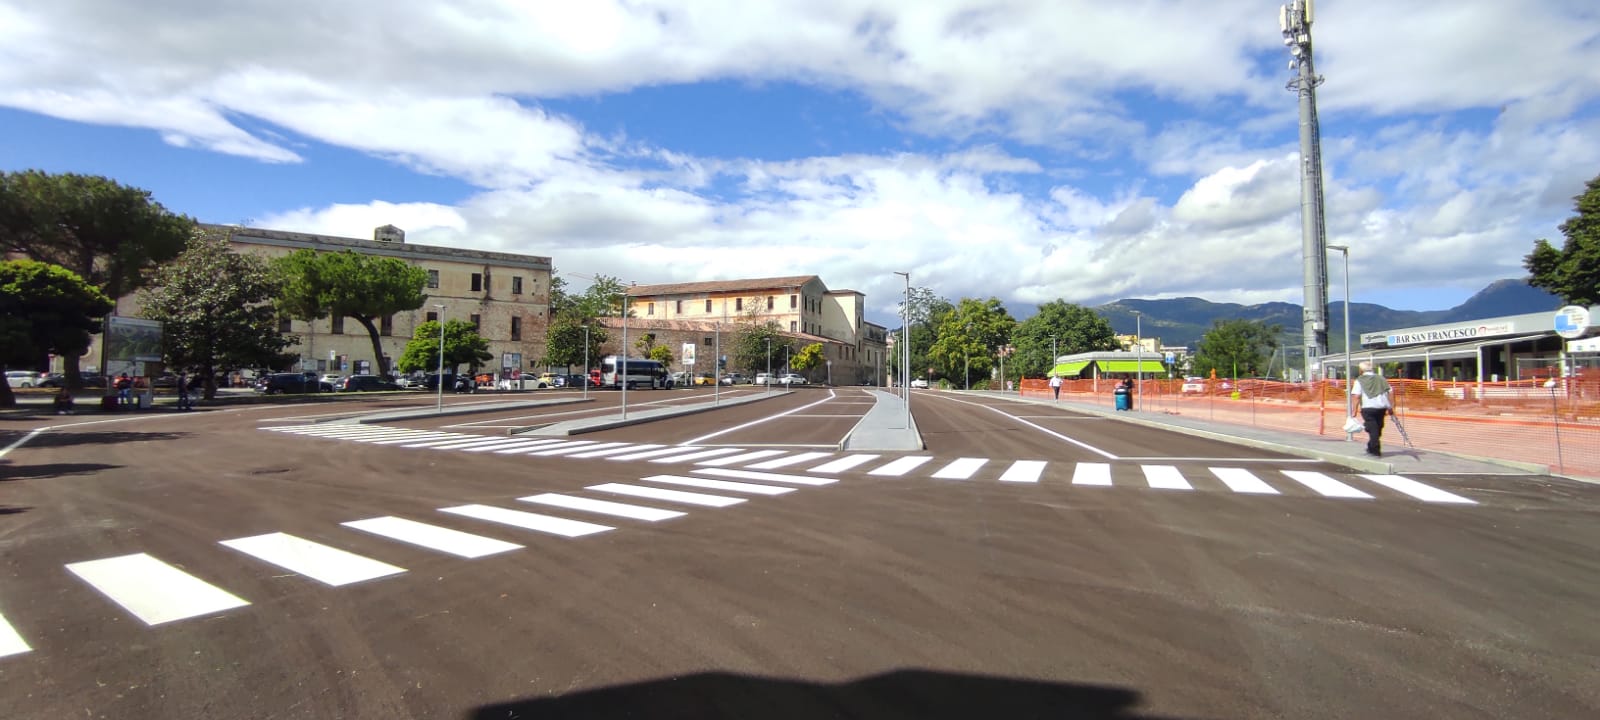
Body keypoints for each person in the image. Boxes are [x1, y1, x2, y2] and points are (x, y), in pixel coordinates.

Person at [1351, 360, 1394, 457]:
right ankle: (1372, 446)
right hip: (1381, 407)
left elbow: (1356, 396)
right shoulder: (1381, 378)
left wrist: (1354, 411)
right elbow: (1390, 392)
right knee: (1378, 428)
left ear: (1361, 370)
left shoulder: (1359, 380)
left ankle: (1374, 450)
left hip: (1368, 407)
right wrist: (1391, 407)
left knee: (1373, 429)